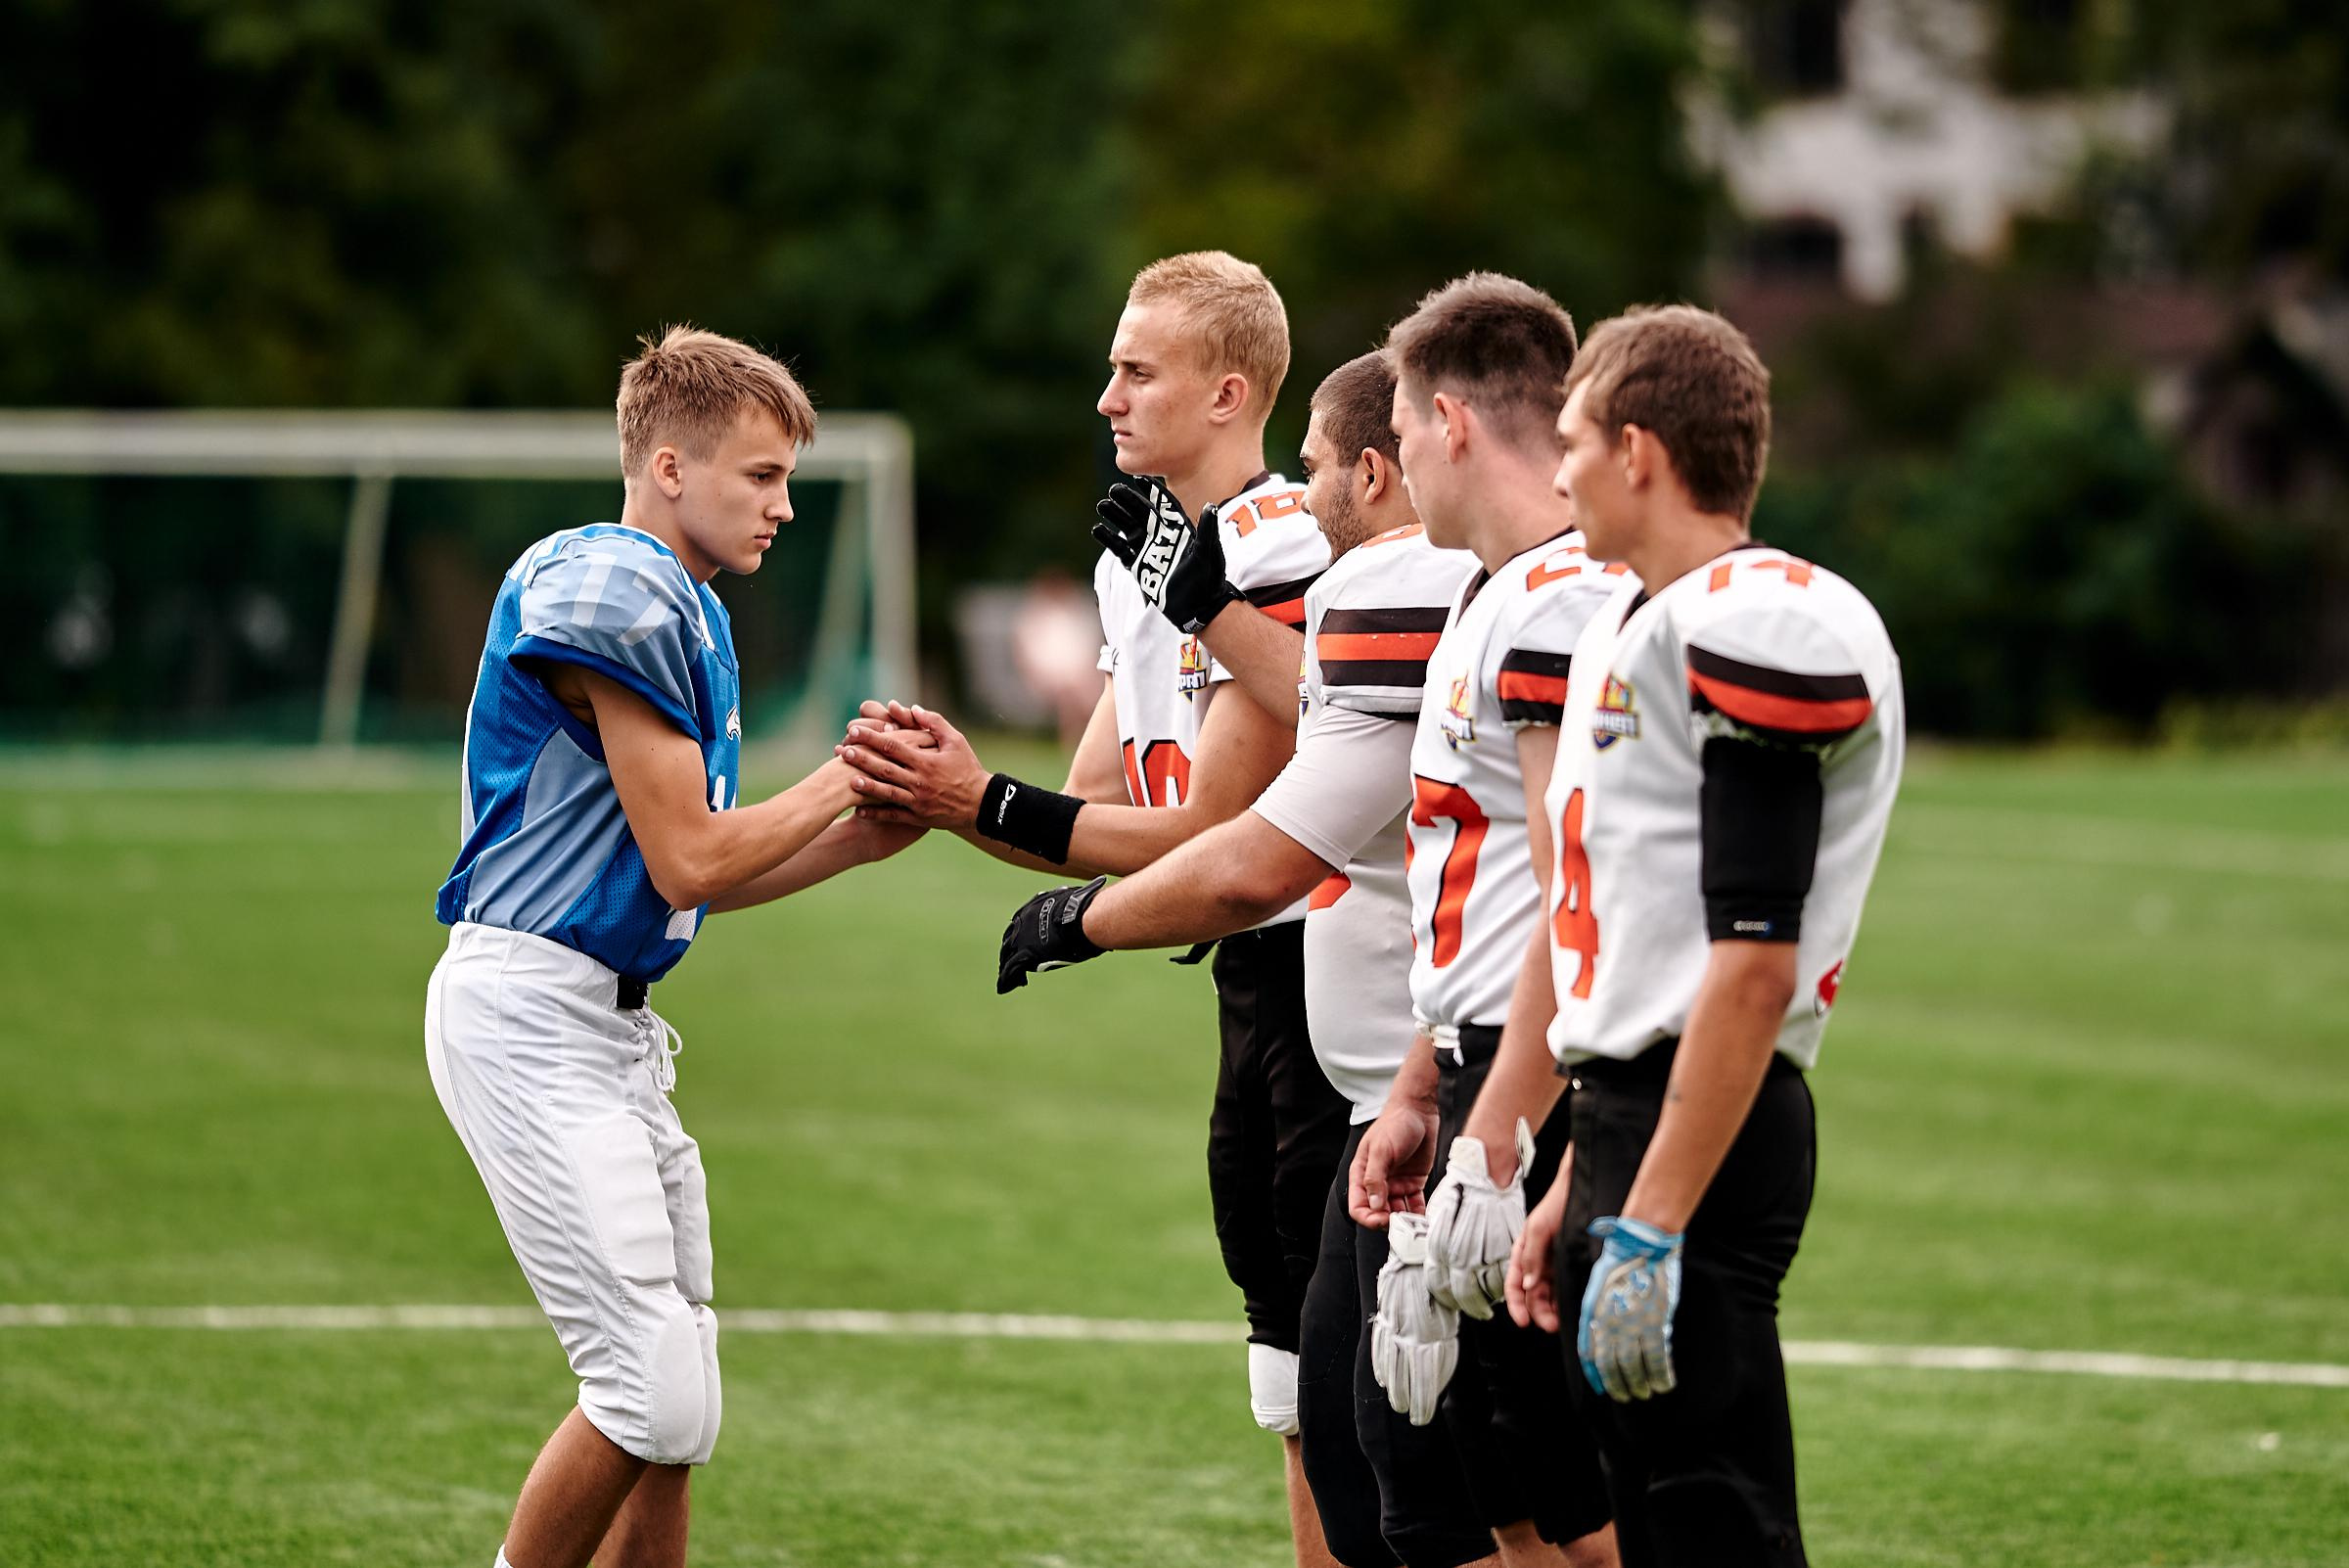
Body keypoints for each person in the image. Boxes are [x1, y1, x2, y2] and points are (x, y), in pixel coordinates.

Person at [835, 253, 1351, 1565]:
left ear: (1228, 391)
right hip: (1251, 983)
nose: (1106, 397)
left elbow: (1211, 836)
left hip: (1340, 978)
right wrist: (953, 792)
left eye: (1137, 369)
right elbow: (1091, 805)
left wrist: (980, 802)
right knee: (1289, 1364)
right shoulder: (1144, 556)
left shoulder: (1289, 540)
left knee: (1371, 1378)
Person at [993, 350, 1530, 1567]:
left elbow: (1246, 849)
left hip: (1473, 1061)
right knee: (1368, 1429)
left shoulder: (1387, 578)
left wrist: (1074, 908)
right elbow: (1152, 797)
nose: (1108, 398)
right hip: (1409, 1067)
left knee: (1483, 1472)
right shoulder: (1441, 591)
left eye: (1138, 368)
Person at [425, 326, 923, 1568]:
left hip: (607, 1018)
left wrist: (858, 842)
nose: (785, 506)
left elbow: (683, 882)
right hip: (529, 1013)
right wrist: (840, 780)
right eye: (761, 478)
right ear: (667, 466)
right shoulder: (610, 586)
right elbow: (693, 855)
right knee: (647, 1388)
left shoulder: (684, 602)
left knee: (679, 1397)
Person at [1467, 305, 1905, 1566]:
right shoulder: (1644, 618)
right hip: (1629, 1118)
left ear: (1641, 451)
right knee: (1662, 1525)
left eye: (1575, 440)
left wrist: (1653, 1216)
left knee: (1717, 1529)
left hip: (1703, 1119)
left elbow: (1754, 964)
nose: (1558, 472)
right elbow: (1635, 925)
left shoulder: (1757, 622)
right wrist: (1575, 1183)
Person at [1342, 275, 1625, 1566]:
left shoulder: (1561, 593)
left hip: (1539, 1077)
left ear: (1452, 421)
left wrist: (1494, 1134)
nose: (1395, 457)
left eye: (1401, 427)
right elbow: (1488, 883)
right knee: (1481, 1460)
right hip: (1479, 1064)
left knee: (1568, 1484)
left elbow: (1575, 886)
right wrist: (1421, 1086)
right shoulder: (1492, 588)